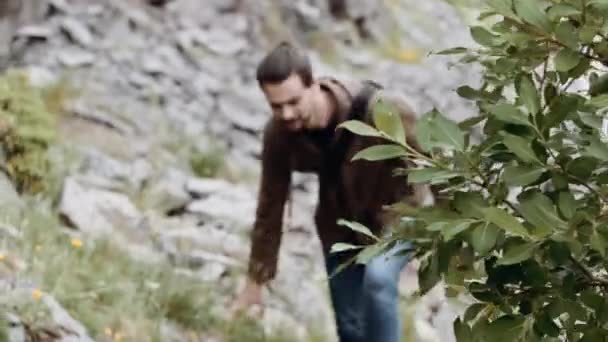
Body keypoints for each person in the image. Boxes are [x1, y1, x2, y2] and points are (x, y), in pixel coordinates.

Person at [233, 41, 431, 342]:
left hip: (397, 216)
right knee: (350, 326)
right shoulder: (279, 134)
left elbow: (437, 164)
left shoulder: (382, 109)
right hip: (339, 226)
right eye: (276, 106)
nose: (285, 113)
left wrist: (460, 230)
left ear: (314, 85)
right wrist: (256, 280)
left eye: (293, 101)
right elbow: (270, 205)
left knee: (378, 281)